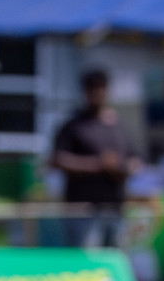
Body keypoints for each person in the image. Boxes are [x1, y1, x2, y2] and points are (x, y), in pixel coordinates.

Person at [53, 69, 140, 248]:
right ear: (85, 91)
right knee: (88, 260)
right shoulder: (74, 125)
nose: (98, 92)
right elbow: (58, 160)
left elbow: (135, 160)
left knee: (115, 260)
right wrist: (99, 164)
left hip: (115, 209)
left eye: (101, 87)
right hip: (83, 210)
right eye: (92, 87)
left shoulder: (119, 125)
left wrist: (122, 168)